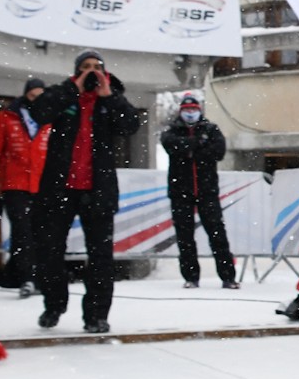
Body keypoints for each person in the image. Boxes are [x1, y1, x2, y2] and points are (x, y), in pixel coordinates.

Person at [30, 50, 142, 334]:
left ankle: (96, 315)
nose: (91, 72)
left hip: (98, 190)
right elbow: (38, 111)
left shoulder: (111, 98)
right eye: (85, 68)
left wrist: (108, 95)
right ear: (76, 72)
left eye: (96, 68)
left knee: (101, 257)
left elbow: (130, 125)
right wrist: (73, 87)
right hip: (59, 189)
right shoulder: (64, 94)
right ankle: (54, 304)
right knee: (50, 251)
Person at [0, 78, 51, 297]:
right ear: (25, 95)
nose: (36, 101)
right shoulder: (8, 117)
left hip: (43, 184)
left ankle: (37, 275)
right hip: (15, 184)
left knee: (42, 232)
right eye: (32, 96)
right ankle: (26, 277)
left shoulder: (51, 118)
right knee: (22, 232)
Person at [161, 91, 238, 289]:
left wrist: (190, 150)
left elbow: (218, 151)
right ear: (180, 111)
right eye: (186, 109)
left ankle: (228, 277)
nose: (190, 113)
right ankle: (191, 277)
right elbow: (171, 146)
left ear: (199, 110)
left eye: (193, 109)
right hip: (180, 192)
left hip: (207, 191)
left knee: (217, 235)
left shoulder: (211, 128)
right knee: (185, 237)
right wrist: (196, 144)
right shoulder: (172, 129)